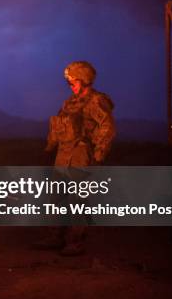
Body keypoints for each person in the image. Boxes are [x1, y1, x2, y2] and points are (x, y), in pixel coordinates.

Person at [39, 61, 116, 256]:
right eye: (69, 82)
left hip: (81, 155)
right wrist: (51, 144)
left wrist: (99, 153)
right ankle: (54, 237)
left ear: (84, 79)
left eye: (73, 81)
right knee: (55, 198)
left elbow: (107, 127)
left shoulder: (95, 101)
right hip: (63, 155)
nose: (70, 84)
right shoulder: (69, 103)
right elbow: (59, 125)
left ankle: (75, 242)